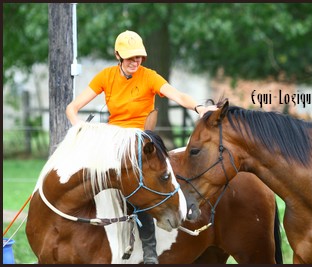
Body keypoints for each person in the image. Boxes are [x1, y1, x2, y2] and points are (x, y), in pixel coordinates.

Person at [66, 30, 217, 264]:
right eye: (129, 57)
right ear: (118, 55)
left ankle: (149, 250)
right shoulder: (105, 77)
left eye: (138, 57)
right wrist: (80, 130)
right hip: (113, 142)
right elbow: (72, 109)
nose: (135, 62)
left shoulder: (149, 77)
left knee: (142, 183)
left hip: (141, 141)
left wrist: (199, 108)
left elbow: (176, 95)